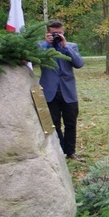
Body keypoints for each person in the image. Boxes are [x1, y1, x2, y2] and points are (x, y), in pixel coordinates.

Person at [39, 20, 85, 161]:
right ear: (48, 33)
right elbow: (34, 60)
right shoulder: (41, 46)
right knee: (54, 124)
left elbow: (79, 63)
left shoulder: (71, 46)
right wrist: (47, 44)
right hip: (49, 91)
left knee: (71, 123)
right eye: (54, 33)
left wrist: (65, 47)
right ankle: (58, 151)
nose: (57, 36)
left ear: (63, 32)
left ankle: (70, 152)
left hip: (68, 91)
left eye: (59, 33)